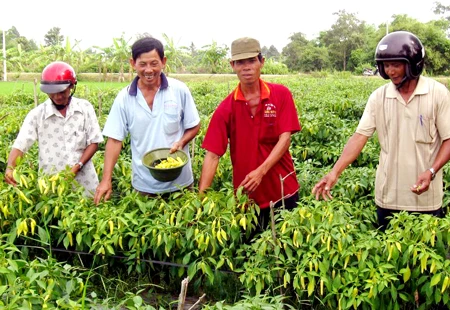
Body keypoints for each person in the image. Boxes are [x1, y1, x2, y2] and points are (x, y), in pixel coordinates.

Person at [312, 31, 450, 230]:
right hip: (388, 197)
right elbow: (359, 137)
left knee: (424, 256)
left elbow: (448, 139)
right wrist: (334, 173)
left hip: (426, 199)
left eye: (396, 64)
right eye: (386, 66)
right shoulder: (379, 97)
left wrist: (431, 170)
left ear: (412, 64)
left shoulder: (437, 94)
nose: (391, 71)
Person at [199, 37, 301, 231]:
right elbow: (212, 155)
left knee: (289, 252)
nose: (246, 67)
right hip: (248, 198)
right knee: (251, 252)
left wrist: (261, 171)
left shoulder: (280, 94)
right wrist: (200, 200)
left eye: (251, 61)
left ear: (261, 62)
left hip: (283, 190)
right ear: (233, 66)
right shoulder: (225, 109)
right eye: (240, 62)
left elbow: (285, 138)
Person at [94, 37, 200, 204]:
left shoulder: (179, 90)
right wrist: (106, 179)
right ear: (133, 63)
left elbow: (194, 126)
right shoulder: (124, 98)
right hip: (145, 186)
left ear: (163, 62)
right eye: (142, 64)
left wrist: (181, 142)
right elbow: (114, 140)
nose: (148, 70)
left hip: (181, 184)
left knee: (185, 227)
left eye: (154, 63)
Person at [4, 61, 103, 196]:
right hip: (51, 184)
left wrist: (78, 166)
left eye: (61, 91)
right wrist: (10, 168)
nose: (57, 97)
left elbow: (94, 141)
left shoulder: (85, 108)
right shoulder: (37, 115)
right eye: (52, 93)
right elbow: (21, 144)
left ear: (72, 86)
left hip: (85, 182)